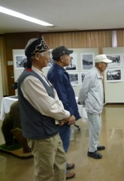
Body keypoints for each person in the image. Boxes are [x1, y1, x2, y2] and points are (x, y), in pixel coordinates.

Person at [17, 37, 76, 181]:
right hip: (41, 134)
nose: (50, 57)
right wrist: (67, 115)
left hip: (51, 130)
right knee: (45, 173)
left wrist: (61, 115)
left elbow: (55, 98)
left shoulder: (39, 74)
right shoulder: (29, 78)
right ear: (37, 56)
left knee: (59, 165)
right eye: (48, 54)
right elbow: (48, 107)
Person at [47, 46, 81, 179]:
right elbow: (61, 97)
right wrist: (69, 115)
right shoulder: (56, 73)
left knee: (62, 143)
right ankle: (61, 172)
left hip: (64, 113)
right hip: (64, 115)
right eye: (69, 55)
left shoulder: (58, 71)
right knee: (62, 145)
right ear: (62, 58)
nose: (70, 57)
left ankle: (64, 164)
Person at [78, 54, 112, 159]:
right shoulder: (91, 74)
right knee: (95, 128)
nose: (107, 66)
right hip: (92, 106)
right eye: (105, 64)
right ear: (100, 64)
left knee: (98, 126)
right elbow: (84, 90)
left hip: (97, 106)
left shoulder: (98, 73)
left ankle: (95, 145)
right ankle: (91, 150)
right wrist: (81, 101)